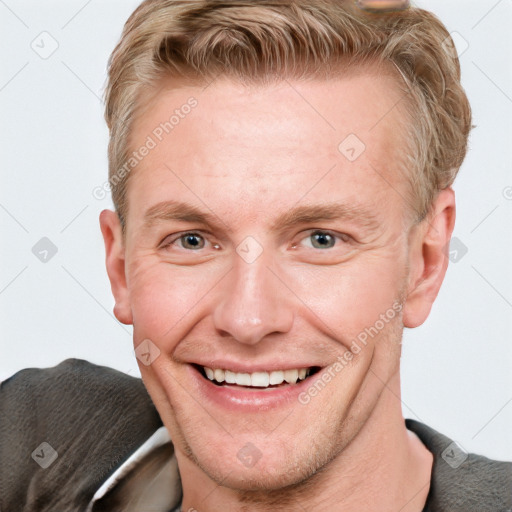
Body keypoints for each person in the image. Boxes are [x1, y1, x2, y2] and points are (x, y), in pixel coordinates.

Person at [1, 1, 511, 511]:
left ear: (425, 261)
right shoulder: (36, 443)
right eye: (193, 240)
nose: (248, 319)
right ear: (120, 267)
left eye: (320, 240)